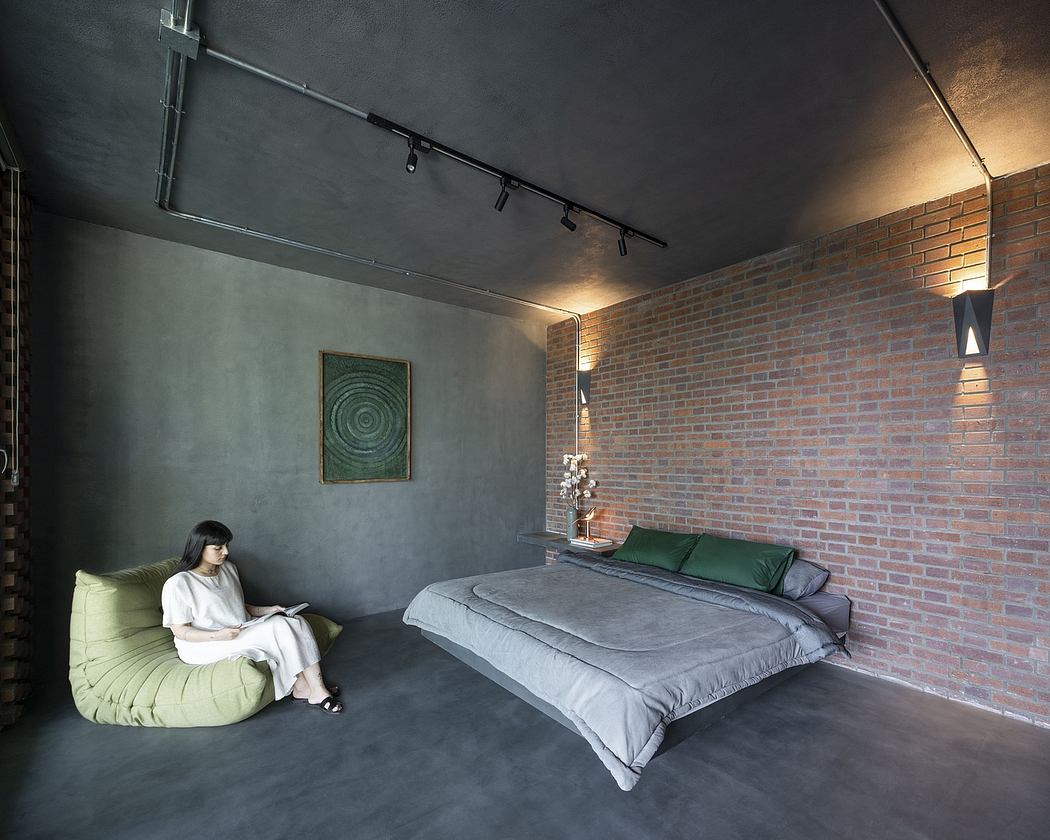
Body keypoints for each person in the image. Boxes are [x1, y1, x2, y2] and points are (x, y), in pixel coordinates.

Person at [161, 520, 343, 714]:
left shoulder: (228, 569)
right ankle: (317, 691)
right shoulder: (179, 583)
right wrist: (218, 635)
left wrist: (269, 610)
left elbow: (235, 607)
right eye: (218, 548)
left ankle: (306, 687)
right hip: (204, 644)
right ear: (199, 548)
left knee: (298, 621)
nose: (226, 552)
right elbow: (180, 630)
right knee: (280, 627)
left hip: (239, 630)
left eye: (227, 546)